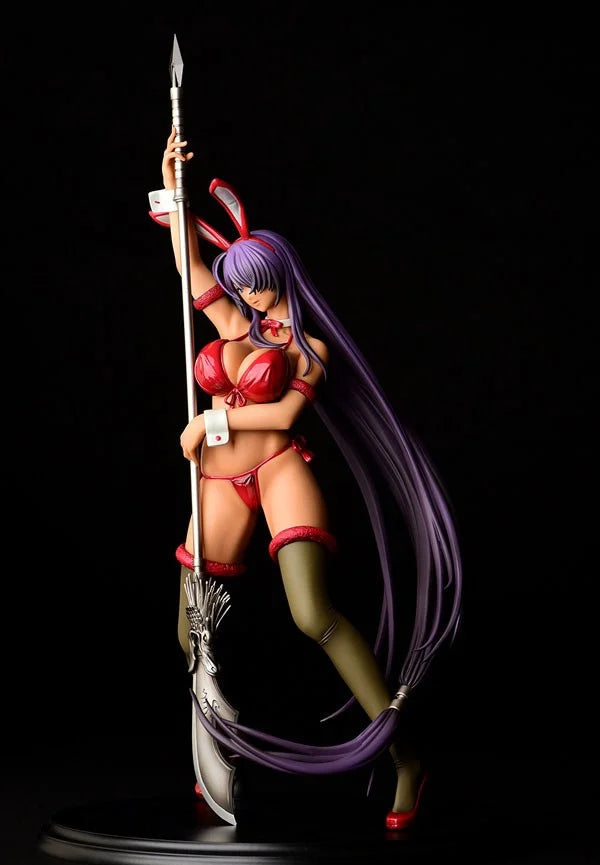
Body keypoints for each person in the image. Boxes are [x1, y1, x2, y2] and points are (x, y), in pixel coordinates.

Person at [149, 126, 462, 829]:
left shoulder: (310, 346)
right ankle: (215, 748)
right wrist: (172, 188)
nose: (249, 298)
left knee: (312, 613)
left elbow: (286, 412)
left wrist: (213, 422)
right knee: (191, 634)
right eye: (239, 287)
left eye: (256, 284)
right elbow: (187, 264)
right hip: (220, 482)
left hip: (279, 470)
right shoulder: (233, 324)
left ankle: (403, 755)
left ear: (281, 273)